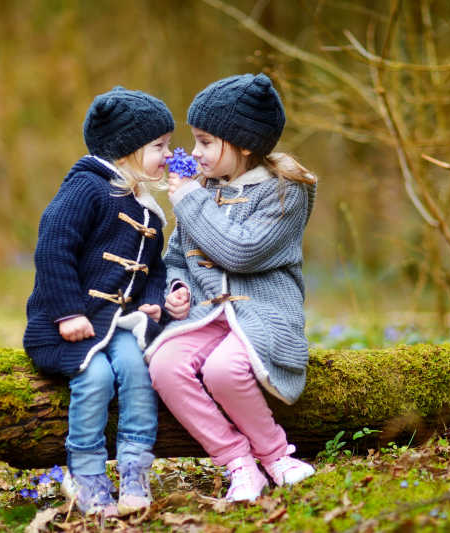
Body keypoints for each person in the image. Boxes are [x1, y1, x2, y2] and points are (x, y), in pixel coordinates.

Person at [146, 73, 317, 502]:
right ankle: (238, 462)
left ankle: (277, 455)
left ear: (242, 144)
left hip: (263, 313)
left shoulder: (284, 193)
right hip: (210, 313)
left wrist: (187, 200)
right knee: (165, 365)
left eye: (205, 142)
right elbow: (177, 257)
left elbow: (240, 251)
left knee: (223, 370)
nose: (196, 152)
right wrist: (179, 286)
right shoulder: (203, 189)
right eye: (195, 141)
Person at [23, 86, 174, 516]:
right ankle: (86, 473)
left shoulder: (142, 204)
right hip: (69, 322)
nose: (167, 155)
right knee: (96, 380)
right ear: (126, 150)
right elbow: (53, 248)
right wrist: (67, 312)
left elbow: (154, 267)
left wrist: (153, 301)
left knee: (137, 370)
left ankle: (134, 469)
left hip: (117, 322)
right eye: (158, 146)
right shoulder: (87, 189)